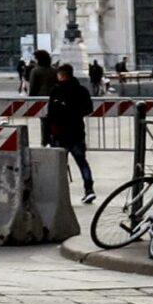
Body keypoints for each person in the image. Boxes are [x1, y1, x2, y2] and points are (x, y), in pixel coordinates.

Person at [45, 62, 96, 202]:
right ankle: (89, 189)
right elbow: (89, 109)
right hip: (77, 131)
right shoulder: (82, 90)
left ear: (61, 75)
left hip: (60, 133)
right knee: (82, 162)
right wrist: (75, 113)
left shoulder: (56, 91)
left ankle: (59, 193)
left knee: (60, 164)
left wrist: (46, 135)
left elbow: (50, 115)